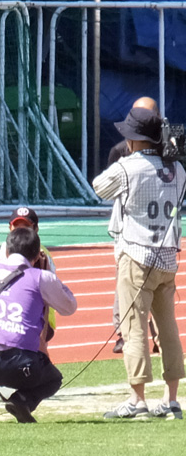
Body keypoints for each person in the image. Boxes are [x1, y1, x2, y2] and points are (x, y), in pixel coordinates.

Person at [93, 107, 186, 420]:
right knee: (168, 329)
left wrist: (126, 160)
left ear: (133, 138)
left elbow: (99, 187)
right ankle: (171, 400)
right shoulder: (178, 169)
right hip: (167, 257)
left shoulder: (127, 167)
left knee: (134, 328)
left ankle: (138, 400)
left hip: (136, 255)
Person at [0, 228, 77, 423]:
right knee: (53, 379)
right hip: (20, 367)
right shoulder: (41, 277)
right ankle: (22, 401)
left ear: (7, 251)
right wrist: (48, 273)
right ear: (37, 255)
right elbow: (69, 307)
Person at [107, 96, 160, 354]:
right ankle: (122, 332)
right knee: (125, 282)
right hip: (129, 230)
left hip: (160, 231)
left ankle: (159, 336)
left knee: (160, 287)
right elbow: (107, 188)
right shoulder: (120, 151)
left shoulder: (167, 153)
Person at [0, 207, 57, 354]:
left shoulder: (42, 255)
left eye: (26, 227)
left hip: (36, 319)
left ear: (36, 229)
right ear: (10, 228)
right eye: (17, 227)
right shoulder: (5, 249)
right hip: (13, 315)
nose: (21, 231)